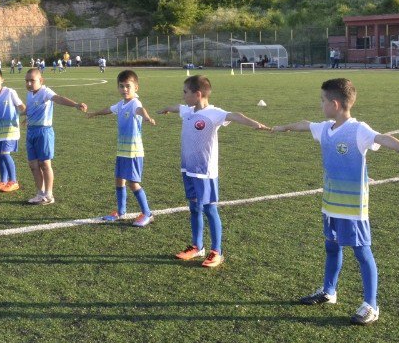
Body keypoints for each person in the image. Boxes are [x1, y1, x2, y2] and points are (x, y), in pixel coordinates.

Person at [272, 78, 399, 325]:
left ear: (335, 104)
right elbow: (307, 125)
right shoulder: (326, 128)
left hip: (352, 207)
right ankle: (329, 292)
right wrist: (283, 127)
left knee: (361, 251)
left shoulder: (358, 130)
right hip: (330, 203)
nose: (321, 105)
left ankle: (371, 305)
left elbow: (384, 138)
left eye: (323, 101)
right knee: (331, 246)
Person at [158, 75, 270, 267]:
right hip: (188, 168)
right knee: (194, 207)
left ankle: (217, 251)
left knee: (209, 208)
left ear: (198, 94)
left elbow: (235, 115)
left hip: (205, 171)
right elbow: (177, 107)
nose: (183, 95)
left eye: (186, 92)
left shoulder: (213, 113)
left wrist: (256, 124)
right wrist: (167, 109)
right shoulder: (188, 110)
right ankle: (197, 246)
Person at [86, 70, 157, 227]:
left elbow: (141, 110)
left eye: (128, 86)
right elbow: (108, 110)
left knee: (133, 183)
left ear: (136, 88)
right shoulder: (121, 104)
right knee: (119, 180)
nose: (124, 89)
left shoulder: (135, 103)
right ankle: (121, 211)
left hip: (133, 152)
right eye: (121, 86)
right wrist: (94, 114)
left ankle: (148, 213)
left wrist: (146, 117)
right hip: (122, 151)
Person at [23, 67, 87, 205]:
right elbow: (30, 109)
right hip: (30, 131)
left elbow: (58, 98)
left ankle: (49, 195)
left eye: (32, 81)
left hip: (44, 132)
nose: (28, 84)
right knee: (33, 165)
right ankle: (40, 194)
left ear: (41, 80)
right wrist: (25, 117)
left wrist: (75, 104)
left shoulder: (45, 91)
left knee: (45, 164)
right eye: (26, 81)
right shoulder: (30, 94)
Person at [0, 66, 26, 193]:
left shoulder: (10, 92)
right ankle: (3, 181)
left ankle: (13, 181)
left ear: (2, 80)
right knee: (0, 155)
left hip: (11, 129)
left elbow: (21, 106)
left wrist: (27, 116)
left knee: (5, 153)